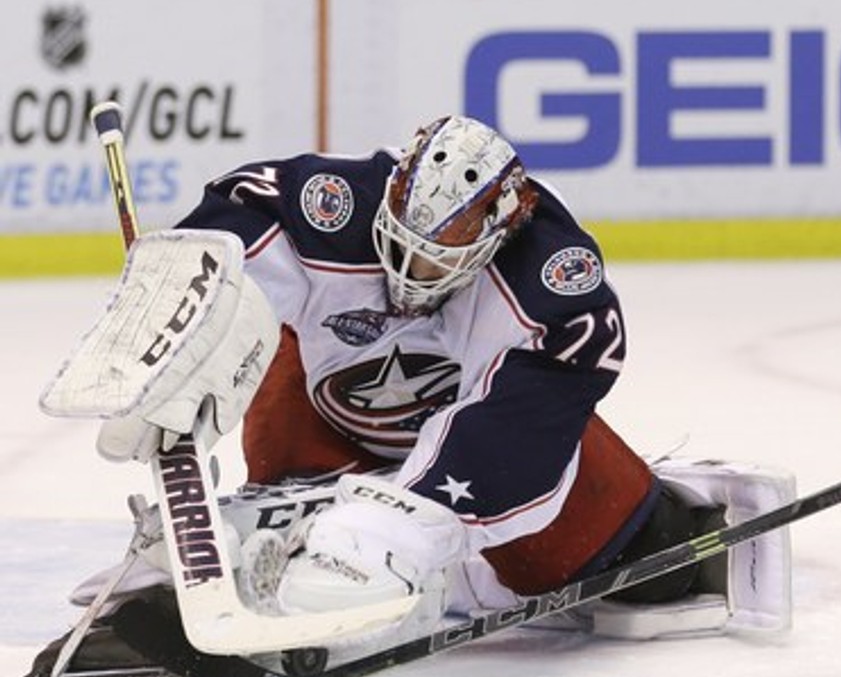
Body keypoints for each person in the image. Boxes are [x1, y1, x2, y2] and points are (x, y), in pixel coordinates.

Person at [26, 114, 794, 676]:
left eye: (434, 266)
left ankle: (349, 560)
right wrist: (171, 317)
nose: (408, 279)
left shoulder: (548, 271)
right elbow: (235, 224)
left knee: (641, 554)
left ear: (497, 232)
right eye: (399, 246)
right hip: (329, 415)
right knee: (282, 439)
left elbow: (539, 406)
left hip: (464, 435)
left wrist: (399, 526)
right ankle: (271, 534)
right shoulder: (336, 202)